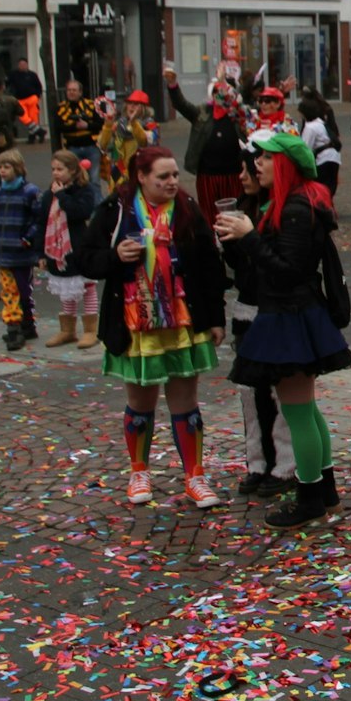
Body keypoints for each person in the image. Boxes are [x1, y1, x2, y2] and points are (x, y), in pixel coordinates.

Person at [214, 131, 351, 529]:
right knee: (305, 409)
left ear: (285, 166)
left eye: (265, 158)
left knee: (297, 412)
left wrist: (250, 237)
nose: (256, 164)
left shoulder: (295, 206)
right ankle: (324, 492)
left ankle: (310, 499)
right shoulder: (294, 201)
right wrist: (241, 240)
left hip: (291, 316)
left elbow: (287, 270)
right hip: (293, 314)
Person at [79, 146, 228, 510]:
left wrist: (215, 318)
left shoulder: (187, 208)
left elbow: (210, 266)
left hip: (183, 321)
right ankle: (139, 472)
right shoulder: (116, 209)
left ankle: (195, 476)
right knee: (140, 401)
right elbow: (84, 259)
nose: (172, 182)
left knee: (185, 401)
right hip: (135, 325)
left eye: (175, 174)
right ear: (142, 177)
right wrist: (115, 257)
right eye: (163, 177)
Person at [223, 158, 294, 500]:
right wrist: (228, 242)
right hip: (246, 309)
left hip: (276, 311)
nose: (242, 176)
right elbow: (240, 266)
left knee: (283, 393)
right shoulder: (242, 207)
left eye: (249, 168)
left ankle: (286, 464)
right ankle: (258, 461)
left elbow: (281, 267)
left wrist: (249, 237)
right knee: (251, 393)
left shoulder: (285, 210)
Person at [165, 67, 249, 218]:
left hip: (233, 175)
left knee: (234, 214)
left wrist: (222, 81)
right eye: (216, 91)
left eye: (223, 91)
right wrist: (173, 85)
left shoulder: (238, 114)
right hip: (207, 176)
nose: (219, 95)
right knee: (210, 215)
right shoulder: (202, 112)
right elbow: (181, 105)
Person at [38, 150, 101, 350]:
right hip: (57, 248)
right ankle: (68, 330)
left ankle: (91, 330)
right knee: (65, 288)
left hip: (78, 245)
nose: (55, 173)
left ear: (72, 170)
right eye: (53, 169)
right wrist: (40, 253)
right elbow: (42, 222)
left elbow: (80, 212)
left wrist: (62, 196)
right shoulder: (49, 194)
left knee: (86, 286)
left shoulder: (84, 190)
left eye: (60, 169)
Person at [0, 148, 43, 351]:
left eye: (7, 166)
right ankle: (14, 328)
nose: (2, 171)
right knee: (9, 291)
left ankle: (27, 324)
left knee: (23, 291)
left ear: (18, 168)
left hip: (21, 251)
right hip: (3, 250)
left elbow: (38, 219)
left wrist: (27, 238)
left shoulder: (30, 192)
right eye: (0, 167)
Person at [96, 90, 156, 194]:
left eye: (136, 104)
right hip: (119, 171)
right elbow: (103, 145)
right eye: (129, 103)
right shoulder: (118, 124)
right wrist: (108, 124)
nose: (131, 106)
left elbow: (145, 143)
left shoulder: (150, 125)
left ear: (144, 108)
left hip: (140, 171)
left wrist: (134, 123)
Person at [298, 88, 343, 199]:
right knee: (329, 188)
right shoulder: (320, 123)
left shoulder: (310, 127)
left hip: (322, 159)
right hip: (334, 157)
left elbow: (306, 148)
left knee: (320, 188)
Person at [53, 80, 105, 168]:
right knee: (76, 174)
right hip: (72, 148)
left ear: (80, 92)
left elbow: (100, 124)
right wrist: (75, 126)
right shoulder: (60, 108)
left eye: (74, 90)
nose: (71, 92)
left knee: (94, 175)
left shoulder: (91, 105)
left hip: (92, 147)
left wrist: (87, 126)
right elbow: (58, 127)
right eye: (69, 90)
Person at [8, 58, 46, 142]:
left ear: (27, 65)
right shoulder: (13, 75)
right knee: (23, 117)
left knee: (33, 117)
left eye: (24, 64)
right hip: (20, 99)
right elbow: (9, 84)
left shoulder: (32, 75)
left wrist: (37, 95)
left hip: (32, 98)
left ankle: (32, 137)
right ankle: (40, 131)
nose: (22, 66)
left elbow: (38, 86)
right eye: (21, 65)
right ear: (18, 65)